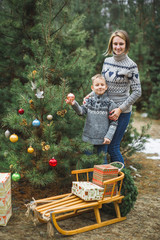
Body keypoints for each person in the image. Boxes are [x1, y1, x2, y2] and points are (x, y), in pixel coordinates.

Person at [88, 30, 142, 166]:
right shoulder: (107, 61)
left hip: (121, 113)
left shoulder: (131, 66)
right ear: (111, 45)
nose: (118, 47)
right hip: (104, 109)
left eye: (121, 44)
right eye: (115, 44)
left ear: (126, 45)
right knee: (101, 147)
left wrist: (119, 109)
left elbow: (137, 91)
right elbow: (101, 84)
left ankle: (122, 184)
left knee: (113, 148)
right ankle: (105, 183)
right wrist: (89, 96)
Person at [65, 74, 118, 164]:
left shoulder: (110, 103)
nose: (100, 87)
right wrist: (74, 104)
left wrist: (108, 136)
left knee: (102, 162)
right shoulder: (89, 101)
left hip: (103, 139)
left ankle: (102, 178)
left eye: (102, 84)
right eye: (97, 85)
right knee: (88, 162)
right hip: (88, 138)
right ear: (92, 88)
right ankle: (89, 178)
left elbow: (114, 122)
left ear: (106, 87)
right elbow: (81, 112)